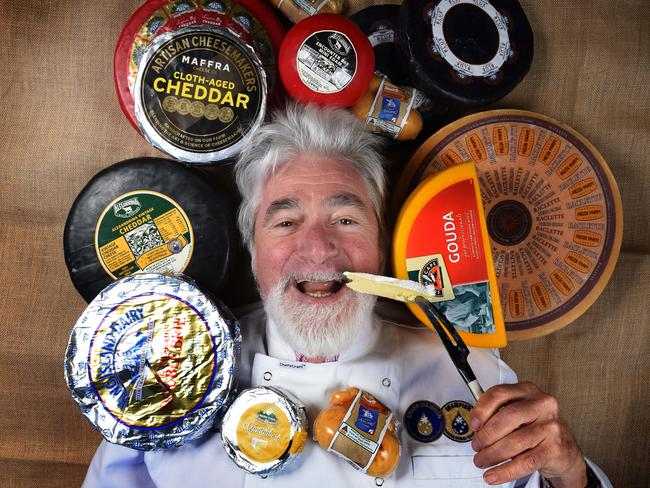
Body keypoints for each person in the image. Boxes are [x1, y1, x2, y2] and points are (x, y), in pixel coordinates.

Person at [82, 103, 611, 487]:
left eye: (345, 218)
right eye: (285, 220)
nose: (317, 248)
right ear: (252, 251)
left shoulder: (479, 376)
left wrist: (570, 477)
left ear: (382, 245)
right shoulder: (165, 378)